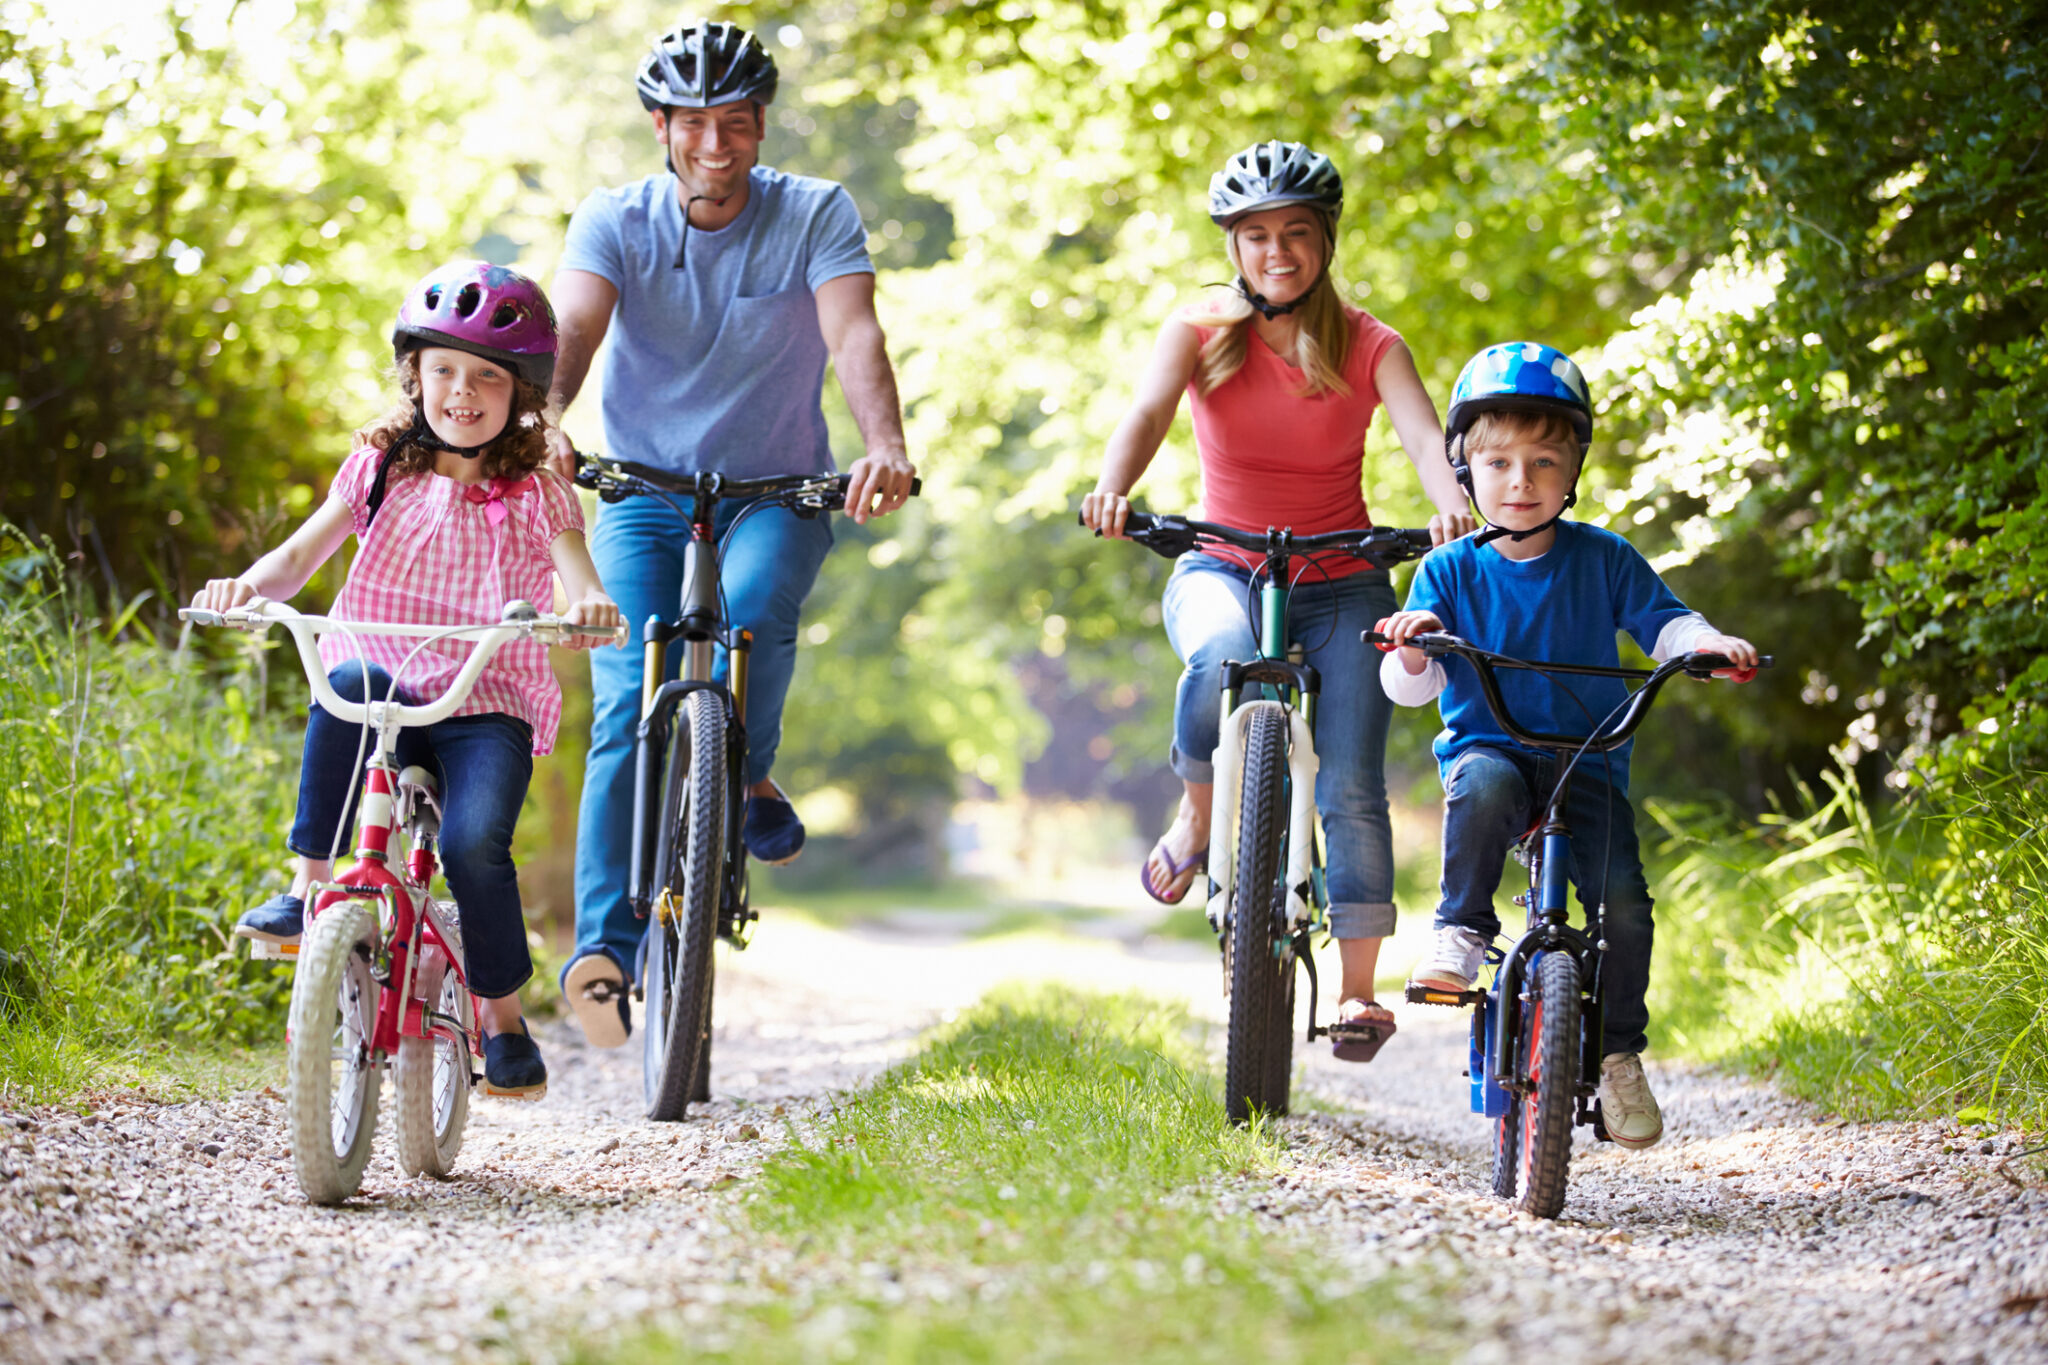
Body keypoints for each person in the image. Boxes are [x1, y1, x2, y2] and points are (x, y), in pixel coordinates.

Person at [545, 18, 917, 1049]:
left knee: (751, 616)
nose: (717, 145)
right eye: (696, 124)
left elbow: (853, 332)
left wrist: (881, 443)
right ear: (660, 126)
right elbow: (574, 325)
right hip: (642, 491)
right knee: (627, 692)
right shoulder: (613, 220)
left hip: (777, 488)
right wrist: (546, 419)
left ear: (761, 129)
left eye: (738, 125)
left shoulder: (814, 213)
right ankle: (603, 953)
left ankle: (741, 768)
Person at [1080, 140, 1477, 1062]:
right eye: (1256, 236)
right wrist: (1113, 484)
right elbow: (1144, 413)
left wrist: (1450, 494)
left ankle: (1357, 992)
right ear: (1233, 246)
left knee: (1350, 784)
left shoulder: (1372, 342)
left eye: (1297, 233)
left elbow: (1423, 434)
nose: (1277, 252)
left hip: (1343, 583)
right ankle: (1197, 808)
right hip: (1223, 565)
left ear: (1326, 240)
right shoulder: (1201, 329)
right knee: (1216, 656)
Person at [194, 261, 623, 1100]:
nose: (462, 391)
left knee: (471, 844)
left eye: (487, 376)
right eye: (444, 371)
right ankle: (309, 883)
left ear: (522, 392)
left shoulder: (537, 491)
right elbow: (297, 557)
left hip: (483, 701)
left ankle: (501, 1016)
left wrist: (593, 606)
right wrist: (245, 586)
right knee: (342, 677)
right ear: (415, 377)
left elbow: (581, 577)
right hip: (384, 688)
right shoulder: (378, 467)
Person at [1377, 340, 1761, 1148]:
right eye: (1501, 462)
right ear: (1465, 470)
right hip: (1495, 749)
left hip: (1587, 759)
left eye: (1545, 462)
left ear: (1574, 468)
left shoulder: (1605, 558)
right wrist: (1417, 643)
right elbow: (1411, 686)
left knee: (1623, 902)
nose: (1522, 482)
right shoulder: (1447, 570)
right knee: (1480, 788)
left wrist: (1707, 644)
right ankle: (1461, 928)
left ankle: (1619, 1052)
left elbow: (1666, 622)